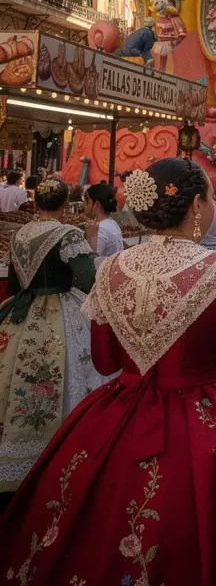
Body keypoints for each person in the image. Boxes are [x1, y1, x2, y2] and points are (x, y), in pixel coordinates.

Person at [0, 159, 216, 581]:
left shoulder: (111, 269)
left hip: (117, 417)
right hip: (208, 421)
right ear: (198, 205)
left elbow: (106, 361)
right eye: (212, 198)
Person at [0, 179, 104, 500]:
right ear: (63, 206)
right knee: (67, 371)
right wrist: (91, 243)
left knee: (16, 371)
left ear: (37, 204)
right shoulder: (67, 234)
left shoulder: (20, 234)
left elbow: (16, 283)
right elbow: (89, 280)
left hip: (22, 310)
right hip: (61, 311)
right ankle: (61, 447)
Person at [84, 182, 124, 263]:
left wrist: (91, 236)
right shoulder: (111, 223)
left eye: (87, 200)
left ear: (97, 204)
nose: (84, 204)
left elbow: (91, 263)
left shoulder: (100, 229)